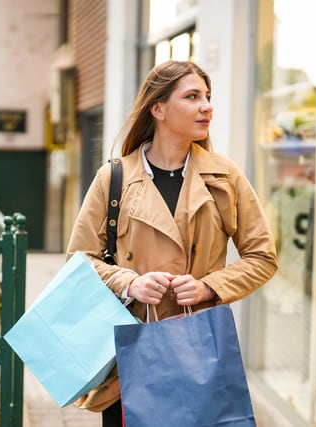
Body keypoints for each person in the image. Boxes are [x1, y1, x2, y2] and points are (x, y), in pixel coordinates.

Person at [66, 60, 278, 426]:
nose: (207, 106)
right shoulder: (113, 177)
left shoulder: (225, 178)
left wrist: (208, 287)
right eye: (193, 96)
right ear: (158, 109)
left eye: (207, 97)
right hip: (130, 354)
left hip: (198, 348)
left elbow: (262, 257)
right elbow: (79, 260)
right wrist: (129, 282)